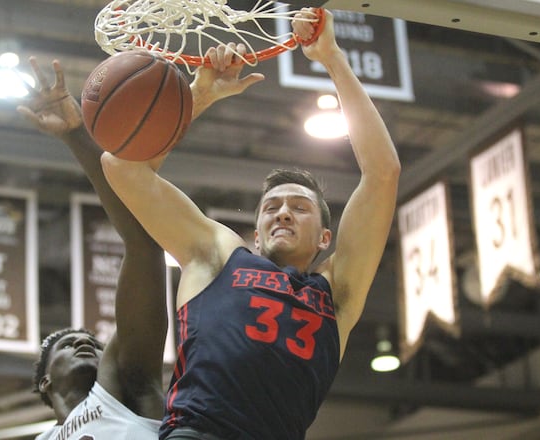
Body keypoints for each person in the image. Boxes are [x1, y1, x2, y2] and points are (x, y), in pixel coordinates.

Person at [101, 9, 401, 440]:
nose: (282, 212)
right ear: (255, 234)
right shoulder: (218, 255)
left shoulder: (338, 293)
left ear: (325, 237)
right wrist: (199, 96)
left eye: (299, 207)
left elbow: (383, 174)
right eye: (271, 207)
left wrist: (332, 58)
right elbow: (122, 169)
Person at [20, 44, 264, 440]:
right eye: (68, 343)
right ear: (45, 383)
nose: (85, 342)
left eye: (92, 343)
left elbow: (141, 242)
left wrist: (76, 136)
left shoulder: (125, 385)